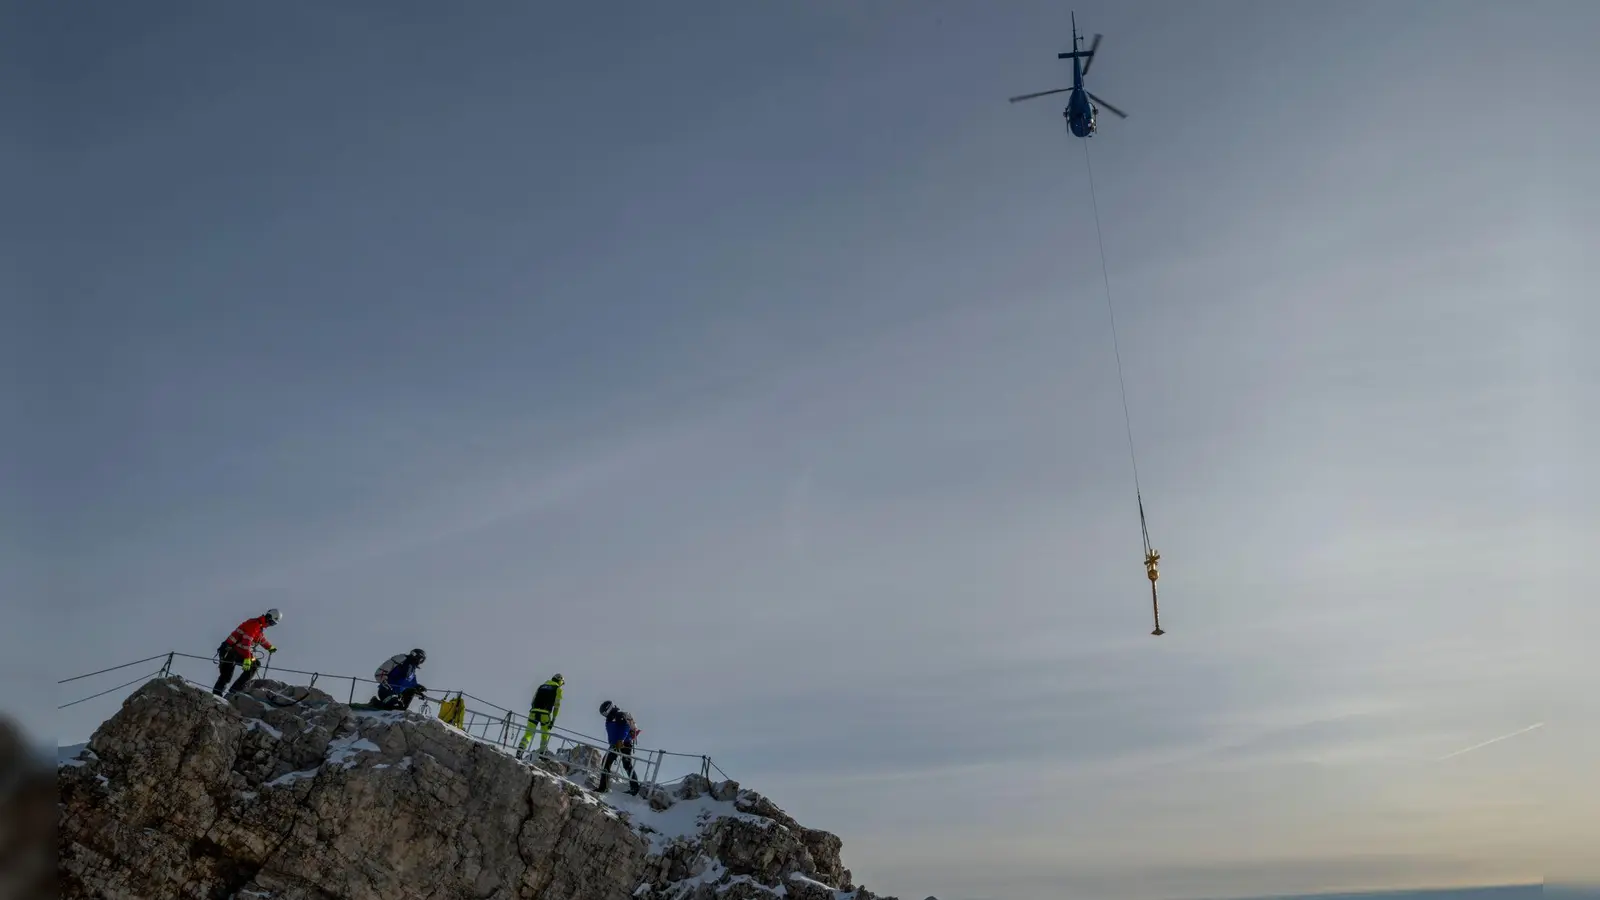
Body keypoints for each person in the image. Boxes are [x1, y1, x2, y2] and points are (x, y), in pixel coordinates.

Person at [212, 609, 281, 697]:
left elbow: (260, 639)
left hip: (235, 651)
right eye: (271, 623)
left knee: (254, 665)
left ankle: (232, 692)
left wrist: (269, 647)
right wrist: (247, 658)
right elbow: (246, 642)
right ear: (268, 618)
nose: (270, 625)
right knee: (226, 676)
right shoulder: (254, 625)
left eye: (273, 624)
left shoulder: (259, 626)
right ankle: (223, 694)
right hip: (231, 651)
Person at [515, 674, 564, 760]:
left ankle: (520, 751)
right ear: (560, 681)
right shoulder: (558, 689)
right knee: (545, 735)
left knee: (528, 734)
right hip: (545, 714)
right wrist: (553, 719)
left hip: (533, 712)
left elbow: (533, 700)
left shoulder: (541, 686)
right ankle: (542, 754)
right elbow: (557, 706)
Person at [596, 700, 641, 795]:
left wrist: (620, 742)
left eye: (604, 712)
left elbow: (625, 728)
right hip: (615, 744)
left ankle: (634, 788)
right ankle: (603, 787)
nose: (604, 715)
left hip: (624, 744)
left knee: (626, 764)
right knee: (606, 764)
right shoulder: (611, 718)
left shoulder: (619, 715)